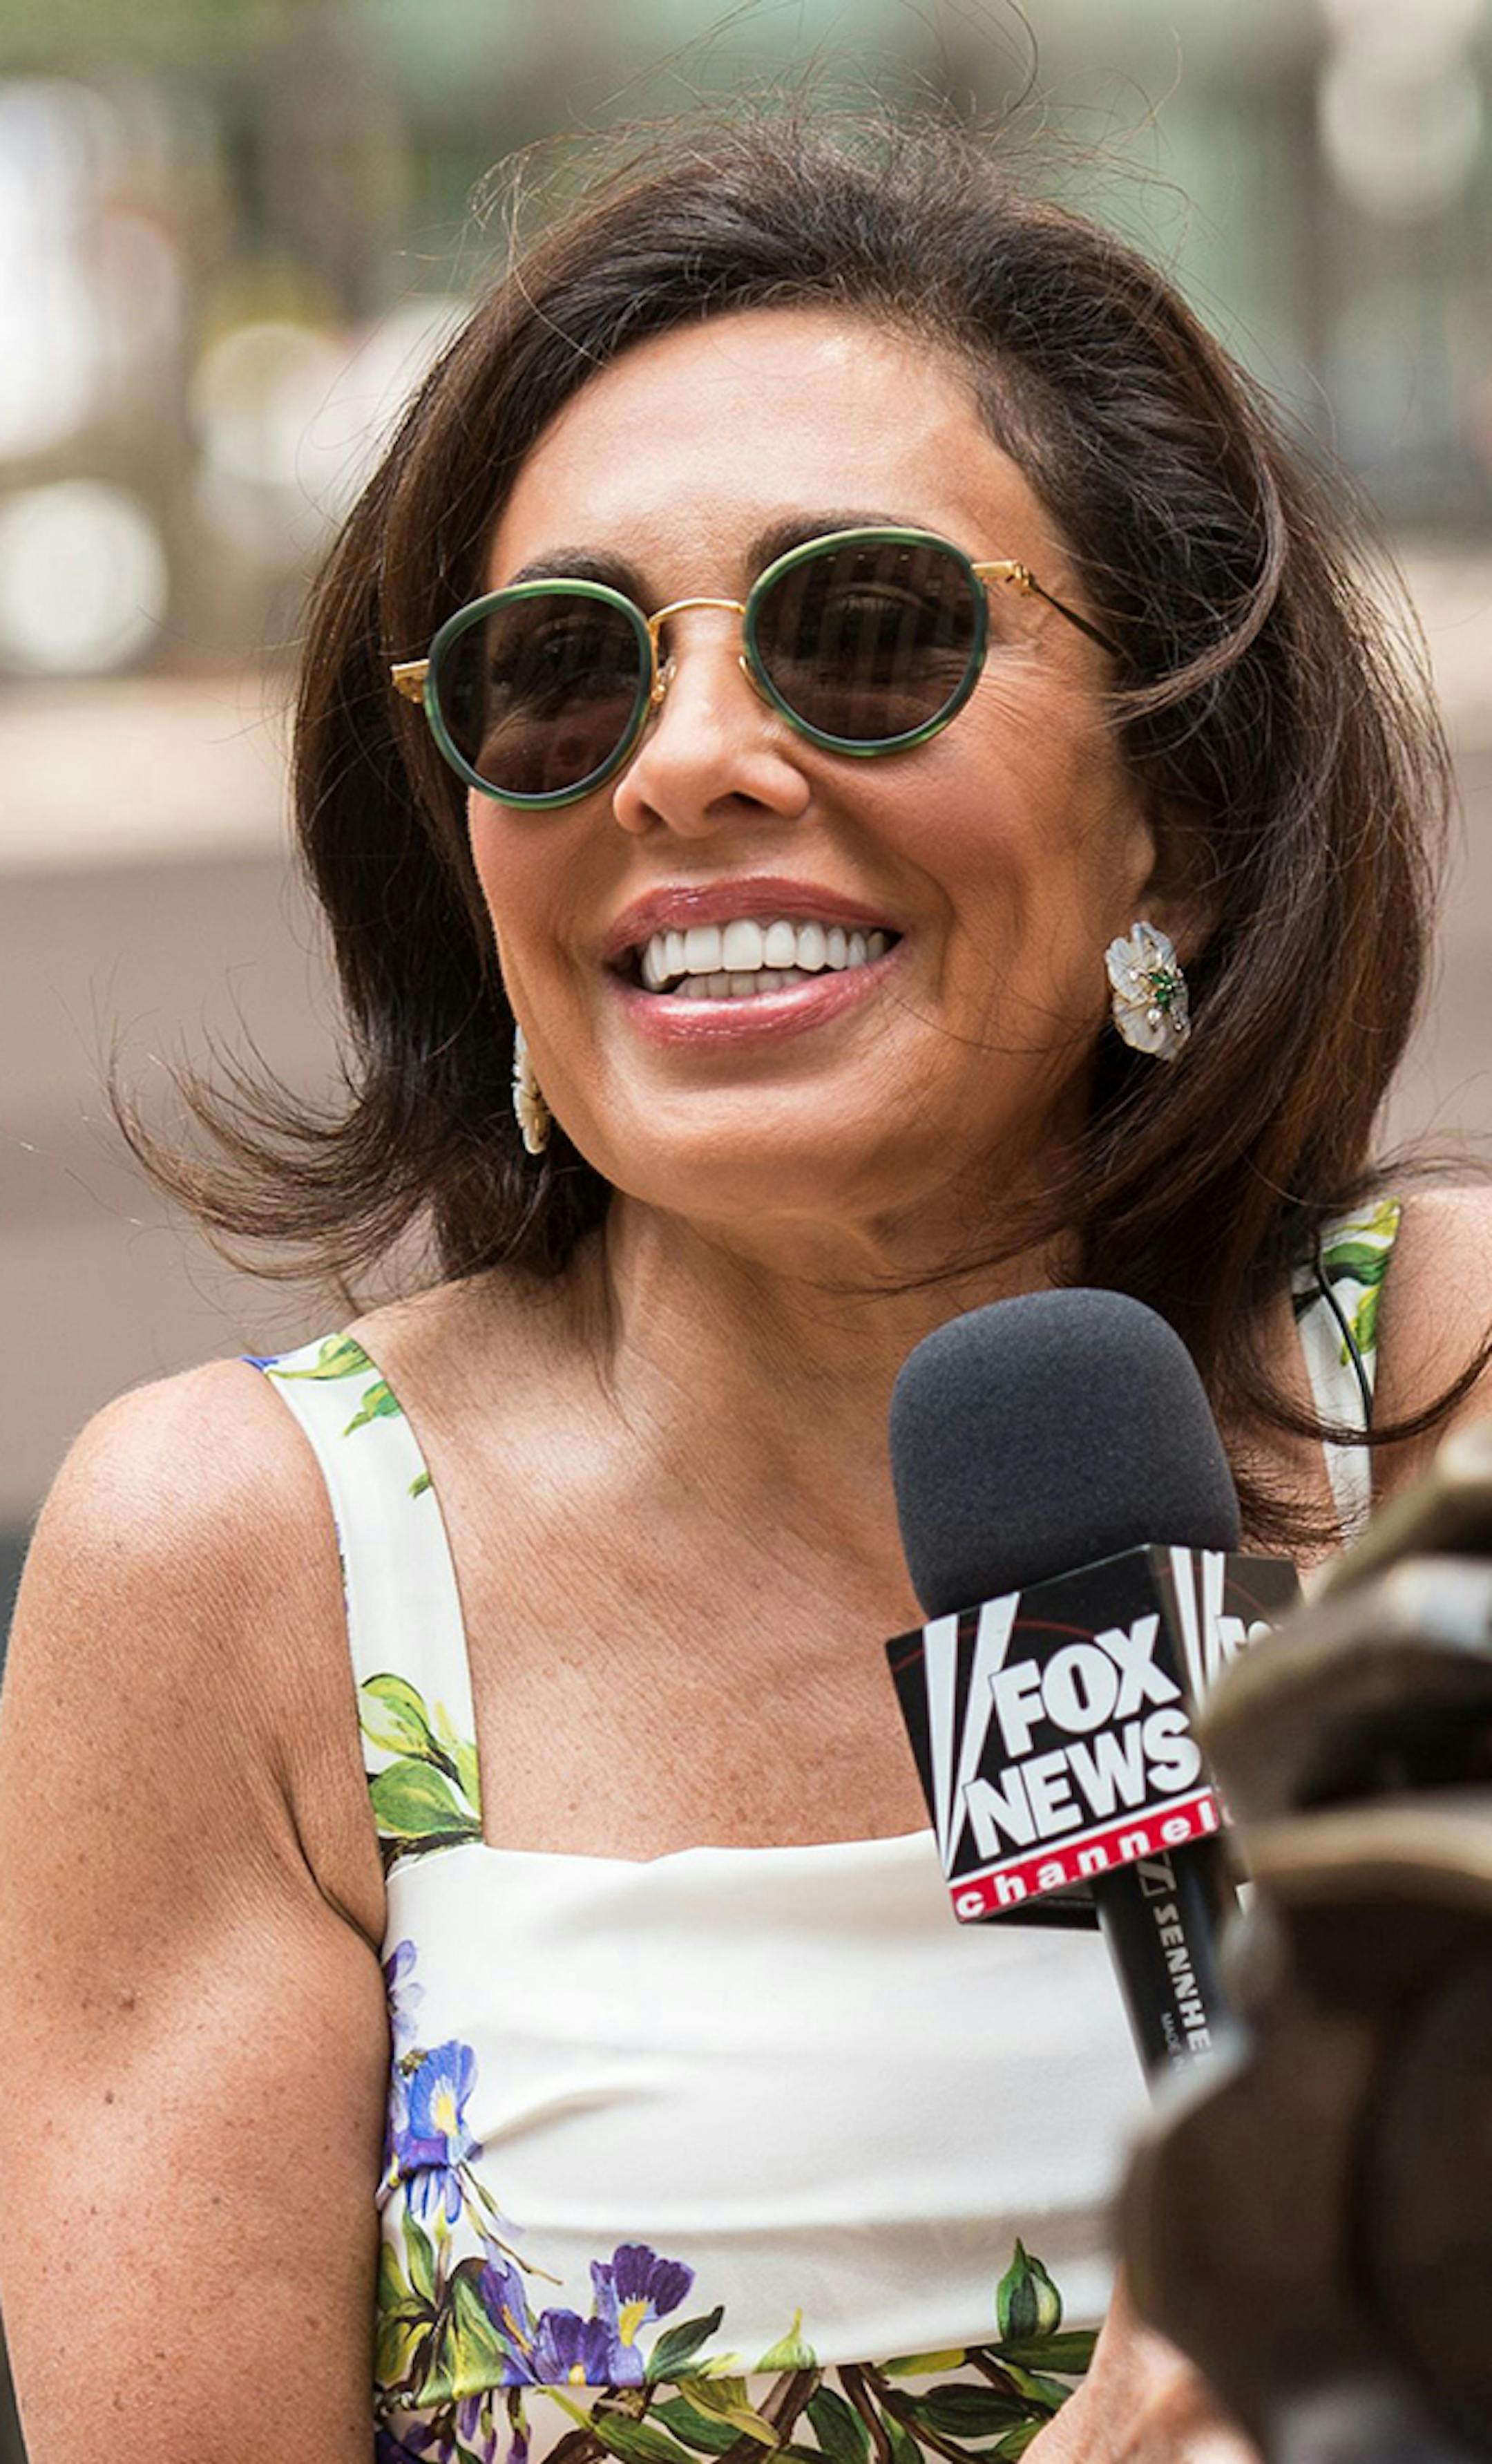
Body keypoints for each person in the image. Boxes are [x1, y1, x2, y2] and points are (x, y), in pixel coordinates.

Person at [0, 106, 1487, 2464]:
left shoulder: (1454, 1401)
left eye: (867, 635)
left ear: (1174, 819)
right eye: (557, 681)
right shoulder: (239, 1564)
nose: (689, 765)